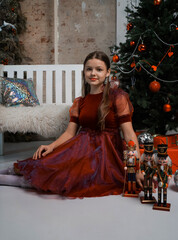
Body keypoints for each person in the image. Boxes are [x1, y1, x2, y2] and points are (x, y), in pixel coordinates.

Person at [0, 51, 143, 197]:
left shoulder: (117, 97)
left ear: (107, 73)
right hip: (80, 147)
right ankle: (9, 171)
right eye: (89, 69)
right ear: (84, 72)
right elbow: (69, 133)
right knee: (44, 164)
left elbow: (129, 134)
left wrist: (137, 168)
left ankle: (10, 180)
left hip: (106, 155)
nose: (93, 73)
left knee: (68, 178)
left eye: (99, 69)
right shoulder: (80, 102)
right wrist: (51, 146)